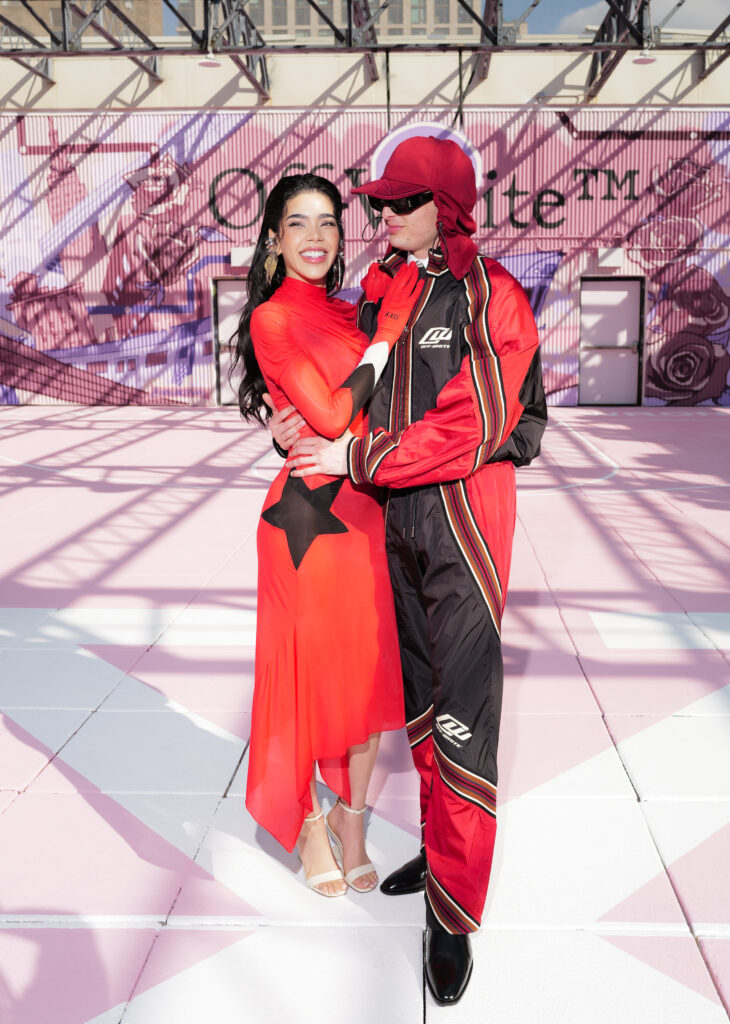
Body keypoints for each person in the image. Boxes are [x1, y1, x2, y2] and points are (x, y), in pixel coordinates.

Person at [285, 137, 547, 1003]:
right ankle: (440, 859)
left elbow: (474, 425)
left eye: (403, 202)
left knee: (463, 715)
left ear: (448, 207)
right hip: (390, 522)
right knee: (421, 705)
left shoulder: (492, 293)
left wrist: (356, 457)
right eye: (379, 203)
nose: (384, 215)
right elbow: (335, 376)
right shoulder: (386, 287)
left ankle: (454, 915)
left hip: (463, 522)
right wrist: (283, 416)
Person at [232, 173, 423, 898]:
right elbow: (334, 415)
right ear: (273, 239)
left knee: (366, 681)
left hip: (369, 513)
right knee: (309, 682)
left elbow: (382, 408)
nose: (315, 237)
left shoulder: (351, 313)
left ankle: (352, 818)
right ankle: (309, 821)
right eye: (298, 223)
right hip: (306, 525)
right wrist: (386, 340)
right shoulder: (272, 318)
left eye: (328, 222)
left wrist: (381, 335)